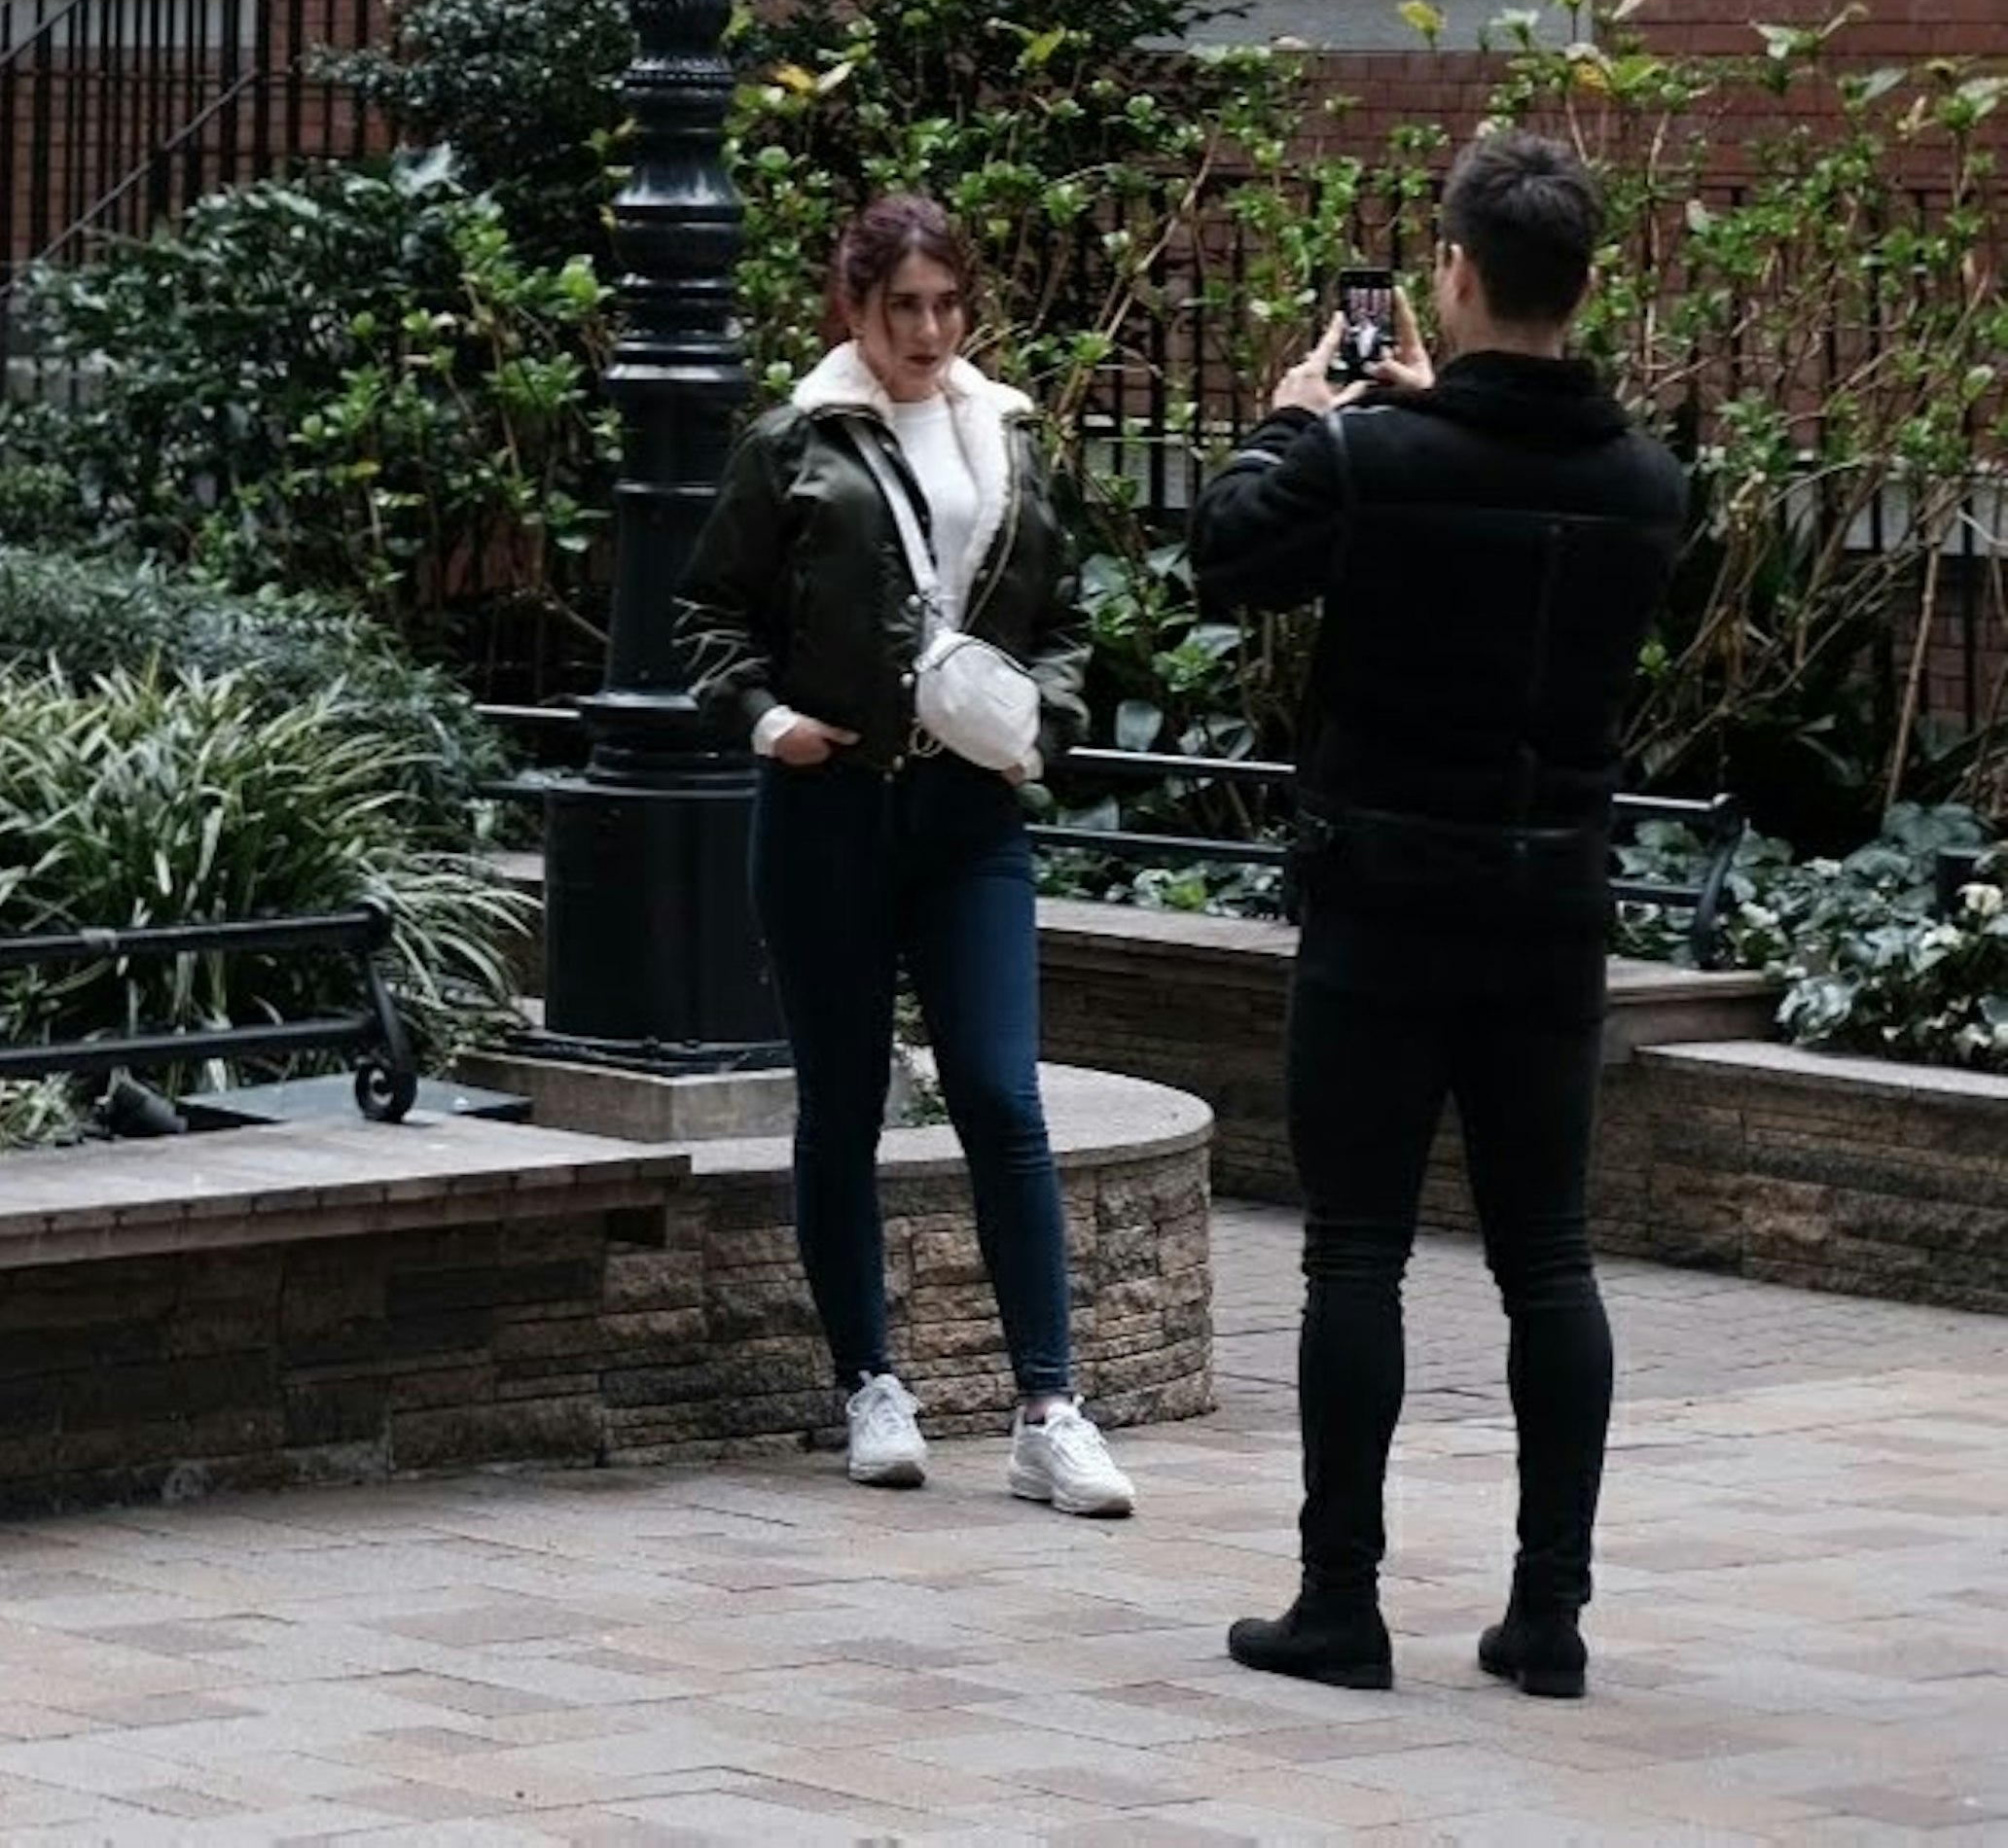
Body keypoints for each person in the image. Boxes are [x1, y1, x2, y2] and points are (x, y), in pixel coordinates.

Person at [1191, 122, 1691, 1704]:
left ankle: (1342, 1600)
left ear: (1454, 276)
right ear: (1585, 286)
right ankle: (1550, 1615)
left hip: (1385, 898)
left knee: (1356, 1254)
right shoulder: (1647, 488)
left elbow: (1224, 556)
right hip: (1552, 906)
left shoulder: (1366, 459)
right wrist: (1430, 412)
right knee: (1550, 1255)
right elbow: (1530, 474)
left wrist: (1295, 417)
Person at [678, 189, 1136, 1520]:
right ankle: (870, 1381)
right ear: (855, 310)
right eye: (903, 308)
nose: (930, 331)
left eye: (947, 305)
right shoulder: (795, 442)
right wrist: (770, 723)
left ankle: (1050, 1407)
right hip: (830, 807)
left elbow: (1063, 618)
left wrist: (1040, 719)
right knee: (842, 1103)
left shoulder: (1009, 434)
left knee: (1003, 1095)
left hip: (971, 815)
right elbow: (709, 611)